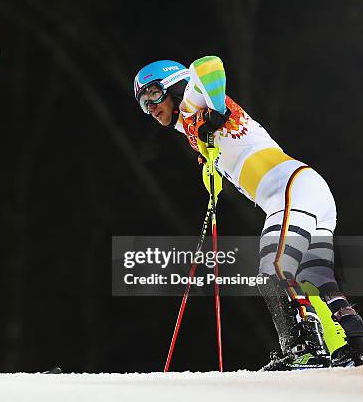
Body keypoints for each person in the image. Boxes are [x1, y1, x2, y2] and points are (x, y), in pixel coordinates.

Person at [132, 57, 363, 370]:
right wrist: (212, 173)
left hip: (292, 189)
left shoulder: (191, 102)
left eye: (154, 95)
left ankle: (304, 348)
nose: (151, 107)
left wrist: (216, 110)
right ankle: (351, 342)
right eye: (144, 104)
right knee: (313, 276)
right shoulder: (191, 128)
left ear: (173, 85)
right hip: (307, 192)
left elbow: (208, 65)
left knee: (274, 270)